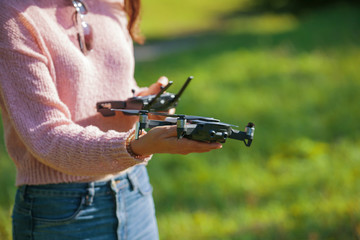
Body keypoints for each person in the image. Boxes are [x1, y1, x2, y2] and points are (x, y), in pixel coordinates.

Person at [0, 0, 222, 239]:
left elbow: (115, 85)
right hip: (60, 210)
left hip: (134, 191)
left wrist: (145, 103)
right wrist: (133, 146)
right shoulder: (12, 16)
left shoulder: (111, 2)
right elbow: (47, 137)